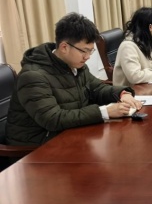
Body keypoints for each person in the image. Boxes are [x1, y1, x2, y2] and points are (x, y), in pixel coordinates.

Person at [5, 13, 142, 146]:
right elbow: (53, 119)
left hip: (70, 133)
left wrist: (121, 94)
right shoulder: (33, 76)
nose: (88, 57)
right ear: (64, 47)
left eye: (91, 51)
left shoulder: (76, 65)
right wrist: (105, 112)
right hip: (36, 147)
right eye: (84, 51)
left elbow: (97, 88)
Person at [113, 7, 152, 87]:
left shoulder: (145, 40)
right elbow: (135, 77)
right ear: (150, 27)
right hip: (130, 91)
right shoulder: (128, 46)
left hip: (145, 86)